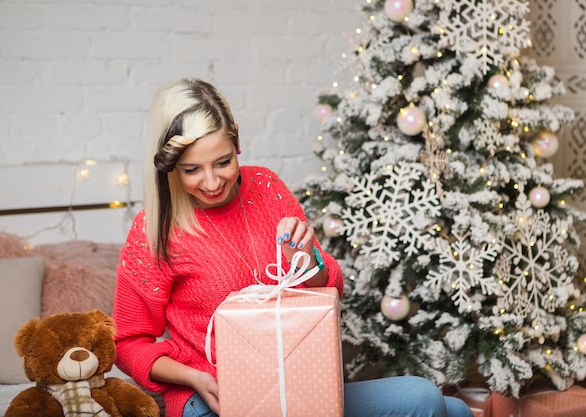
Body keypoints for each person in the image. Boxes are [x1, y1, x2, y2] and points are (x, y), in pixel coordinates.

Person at [112, 78, 473, 417]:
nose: (211, 182)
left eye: (223, 162)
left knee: (442, 405)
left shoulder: (265, 186)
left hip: (299, 381)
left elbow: (329, 286)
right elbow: (128, 343)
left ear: (237, 141)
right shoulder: (154, 228)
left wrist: (305, 259)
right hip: (214, 397)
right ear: (171, 167)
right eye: (192, 170)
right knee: (436, 406)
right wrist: (195, 378)